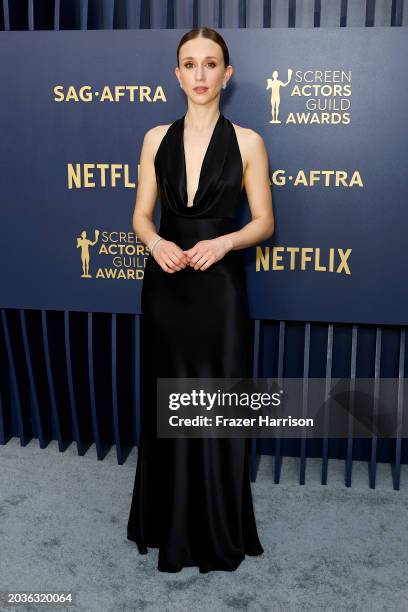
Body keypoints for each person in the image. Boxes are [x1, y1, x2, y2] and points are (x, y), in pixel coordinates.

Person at [127, 26, 274, 573]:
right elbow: (141, 215)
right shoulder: (153, 138)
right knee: (168, 401)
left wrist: (224, 241)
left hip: (219, 290)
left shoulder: (249, 142)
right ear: (177, 74)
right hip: (166, 285)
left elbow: (264, 222)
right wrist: (158, 242)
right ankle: (166, 522)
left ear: (227, 74)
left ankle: (216, 529)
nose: (200, 75)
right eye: (189, 64)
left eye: (211, 64)